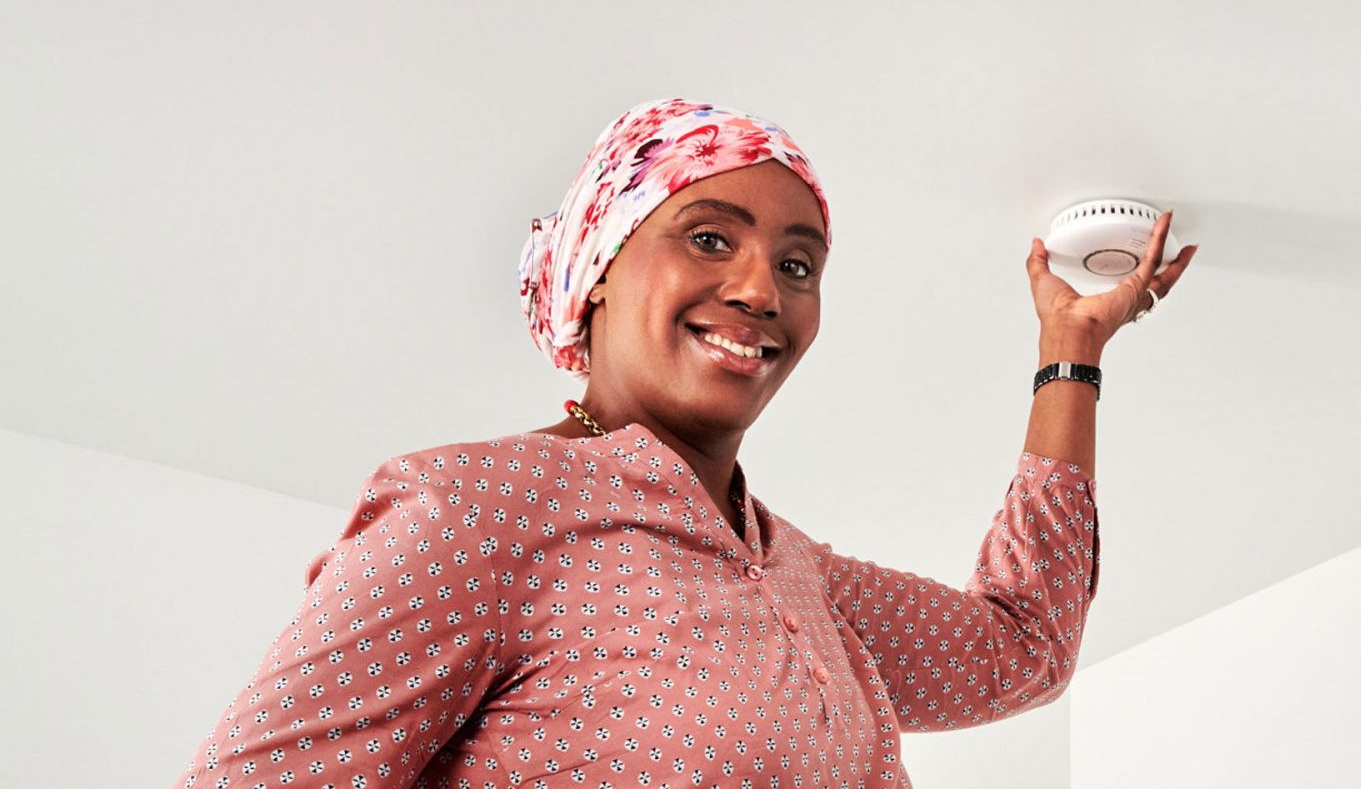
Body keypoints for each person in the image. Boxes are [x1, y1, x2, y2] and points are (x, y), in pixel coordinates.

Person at [174, 97, 1196, 789]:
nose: (761, 288)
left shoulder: (802, 579)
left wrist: (1070, 353)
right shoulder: (477, 511)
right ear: (600, 268)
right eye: (710, 237)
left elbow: (1020, 651)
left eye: (798, 264)